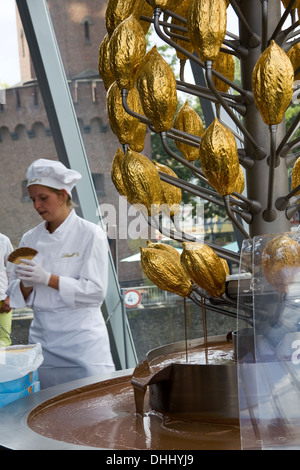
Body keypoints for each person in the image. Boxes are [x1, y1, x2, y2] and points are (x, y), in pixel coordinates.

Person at [7, 158, 115, 388]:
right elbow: (16, 296)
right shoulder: (30, 238)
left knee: (93, 412)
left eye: (43, 198)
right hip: (43, 343)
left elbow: (95, 292)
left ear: (64, 195)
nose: (37, 205)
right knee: (47, 414)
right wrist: (26, 283)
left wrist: (47, 278)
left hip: (82, 343)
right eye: (33, 199)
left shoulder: (90, 234)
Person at [0, 233, 13, 347]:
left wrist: (10, 297)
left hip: (2, 300)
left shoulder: (3, 240)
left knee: (3, 341)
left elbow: (12, 270)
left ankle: (2, 365)